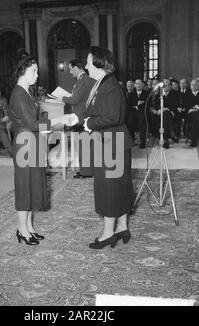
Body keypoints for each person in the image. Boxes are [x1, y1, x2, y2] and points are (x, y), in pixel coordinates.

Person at [55, 46, 134, 249]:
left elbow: (112, 117)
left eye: (89, 62)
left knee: (109, 188)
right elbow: (94, 111)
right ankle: (122, 227)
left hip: (111, 144)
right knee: (119, 186)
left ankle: (108, 233)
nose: (86, 65)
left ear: (99, 63)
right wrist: (74, 118)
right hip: (111, 142)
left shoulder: (109, 86)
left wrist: (88, 124)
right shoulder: (101, 83)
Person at [9, 51, 57, 246]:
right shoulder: (18, 94)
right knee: (24, 187)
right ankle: (22, 229)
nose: (37, 75)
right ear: (23, 71)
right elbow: (32, 123)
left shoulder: (26, 91)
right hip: (24, 144)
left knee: (31, 185)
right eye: (34, 71)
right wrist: (56, 121)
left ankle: (28, 227)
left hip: (32, 142)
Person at [56, 58, 95, 178]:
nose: (70, 72)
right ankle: (87, 169)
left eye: (71, 69)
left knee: (84, 145)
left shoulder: (83, 80)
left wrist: (61, 98)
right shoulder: (85, 80)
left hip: (81, 117)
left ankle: (86, 171)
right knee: (86, 144)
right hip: (84, 116)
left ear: (77, 67)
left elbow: (75, 99)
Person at [185, 79, 199, 147]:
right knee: (195, 115)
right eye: (192, 85)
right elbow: (185, 105)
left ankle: (194, 141)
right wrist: (195, 107)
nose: (193, 86)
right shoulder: (187, 93)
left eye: (195, 85)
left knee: (196, 122)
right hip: (190, 114)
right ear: (190, 86)